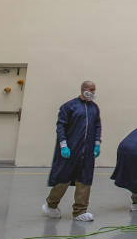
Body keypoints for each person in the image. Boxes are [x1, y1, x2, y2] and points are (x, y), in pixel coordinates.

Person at [42, 80, 102, 221]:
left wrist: (97, 143)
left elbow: (97, 125)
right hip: (71, 149)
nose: (93, 93)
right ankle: (51, 204)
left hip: (87, 151)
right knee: (64, 178)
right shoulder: (69, 107)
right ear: (83, 89)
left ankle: (80, 211)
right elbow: (61, 126)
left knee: (85, 179)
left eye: (94, 90)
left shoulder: (94, 108)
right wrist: (63, 145)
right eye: (91, 90)